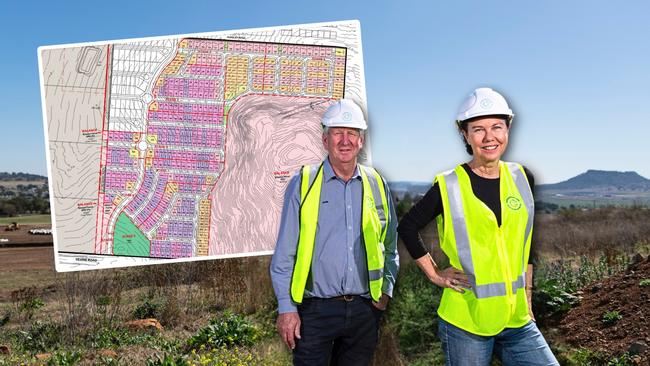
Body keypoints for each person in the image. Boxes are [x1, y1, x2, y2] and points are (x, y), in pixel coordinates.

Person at [397, 88, 558, 365]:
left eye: (496, 127)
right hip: (466, 322)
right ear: (465, 135)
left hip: (516, 319)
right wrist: (435, 274)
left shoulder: (522, 177)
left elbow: (525, 245)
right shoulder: (449, 185)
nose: (489, 137)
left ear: (508, 129)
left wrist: (528, 300)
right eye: (478, 129)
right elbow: (408, 227)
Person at [270, 99, 399, 366]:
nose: (345, 140)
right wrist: (286, 308)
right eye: (337, 133)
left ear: (361, 141)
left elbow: (390, 244)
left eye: (352, 133)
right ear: (324, 139)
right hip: (314, 312)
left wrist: (385, 290)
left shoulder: (376, 183)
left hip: (365, 309)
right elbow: (285, 254)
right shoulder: (303, 183)